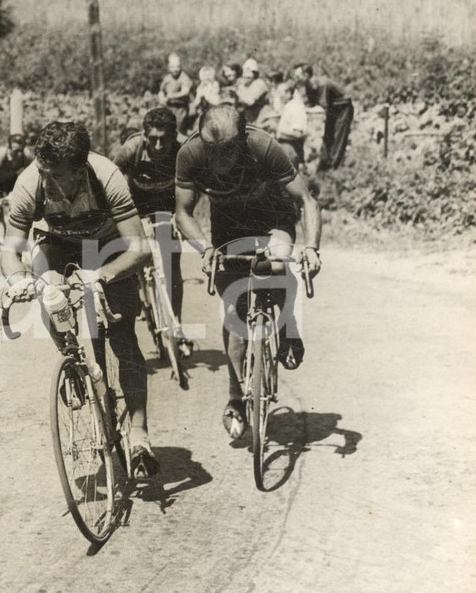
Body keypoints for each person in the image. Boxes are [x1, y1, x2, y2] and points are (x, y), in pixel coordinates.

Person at [0, 120, 158, 478]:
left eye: (55, 175)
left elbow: (140, 250)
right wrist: (19, 280)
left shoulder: (107, 176)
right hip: (55, 243)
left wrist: (100, 276)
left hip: (106, 244)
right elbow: (10, 252)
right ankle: (71, 356)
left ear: (80, 168)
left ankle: (141, 435)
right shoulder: (29, 182)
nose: (46, 179)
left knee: (122, 334)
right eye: (43, 171)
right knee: (50, 293)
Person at [174, 105, 321, 440]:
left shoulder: (265, 147)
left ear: (242, 139)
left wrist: (311, 247)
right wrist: (205, 249)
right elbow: (182, 211)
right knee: (232, 314)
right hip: (229, 226)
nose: (222, 160)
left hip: (272, 216)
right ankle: (235, 397)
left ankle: (287, 325)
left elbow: (308, 201)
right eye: (215, 153)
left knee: (278, 262)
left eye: (229, 151)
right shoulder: (191, 154)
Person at [112, 107, 193, 353]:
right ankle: (138, 288)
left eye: (164, 139)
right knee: (134, 254)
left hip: (169, 205)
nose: (159, 146)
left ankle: (175, 323)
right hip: (136, 205)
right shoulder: (131, 150)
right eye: (153, 139)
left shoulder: (183, 151)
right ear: (145, 137)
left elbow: (192, 191)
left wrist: (181, 218)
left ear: (174, 135)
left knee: (172, 262)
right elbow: (110, 183)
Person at [292, 63, 354, 170]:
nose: (296, 78)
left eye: (298, 76)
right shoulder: (308, 84)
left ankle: (334, 166)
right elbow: (309, 102)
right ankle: (329, 162)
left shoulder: (321, 83)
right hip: (333, 107)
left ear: (306, 75)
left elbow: (322, 107)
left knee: (337, 136)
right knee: (328, 136)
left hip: (342, 108)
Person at [0, 133, 33, 251]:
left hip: (12, 183)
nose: (18, 154)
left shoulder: (26, 156)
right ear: (9, 148)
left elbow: (34, 174)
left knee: (15, 212)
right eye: (16, 151)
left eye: (21, 150)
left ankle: (11, 239)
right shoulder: (0, 155)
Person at [275, 81, 309, 170]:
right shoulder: (289, 106)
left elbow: (298, 133)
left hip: (290, 149)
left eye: (279, 93)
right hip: (285, 147)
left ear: (288, 93)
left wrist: (280, 132)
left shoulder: (295, 107)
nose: (278, 96)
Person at [158, 53, 193, 138]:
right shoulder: (167, 78)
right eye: (173, 67)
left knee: (178, 131)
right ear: (169, 67)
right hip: (168, 107)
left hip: (180, 109)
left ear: (180, 66)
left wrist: (173, 96)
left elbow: (185, 91)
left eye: (177, 67)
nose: (175, 69)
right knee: (164, 129)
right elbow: (161, 91)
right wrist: (161, 97)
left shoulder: (184, 77)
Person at [235, 58, 271, 125]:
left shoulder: (259, 83)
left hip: (260, 119)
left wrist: (238, 90)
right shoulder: (247, 84)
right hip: (250, 118)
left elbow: (250, 101)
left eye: (249, 73)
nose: (246, 77)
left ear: (254, 73)